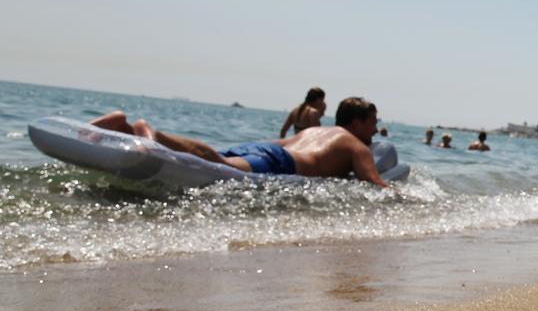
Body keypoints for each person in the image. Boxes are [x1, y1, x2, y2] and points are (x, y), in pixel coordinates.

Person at [92, 97, 389, 187]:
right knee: (217, 164)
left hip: (264, 150)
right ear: (356, 122)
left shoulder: (313, 133)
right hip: (278, 163)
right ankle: (149, 133)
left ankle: (127, 129)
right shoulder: (355, 145)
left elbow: (278, 141)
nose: (375, 131)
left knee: (213, 159)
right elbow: (375, 184)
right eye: (373, 123)